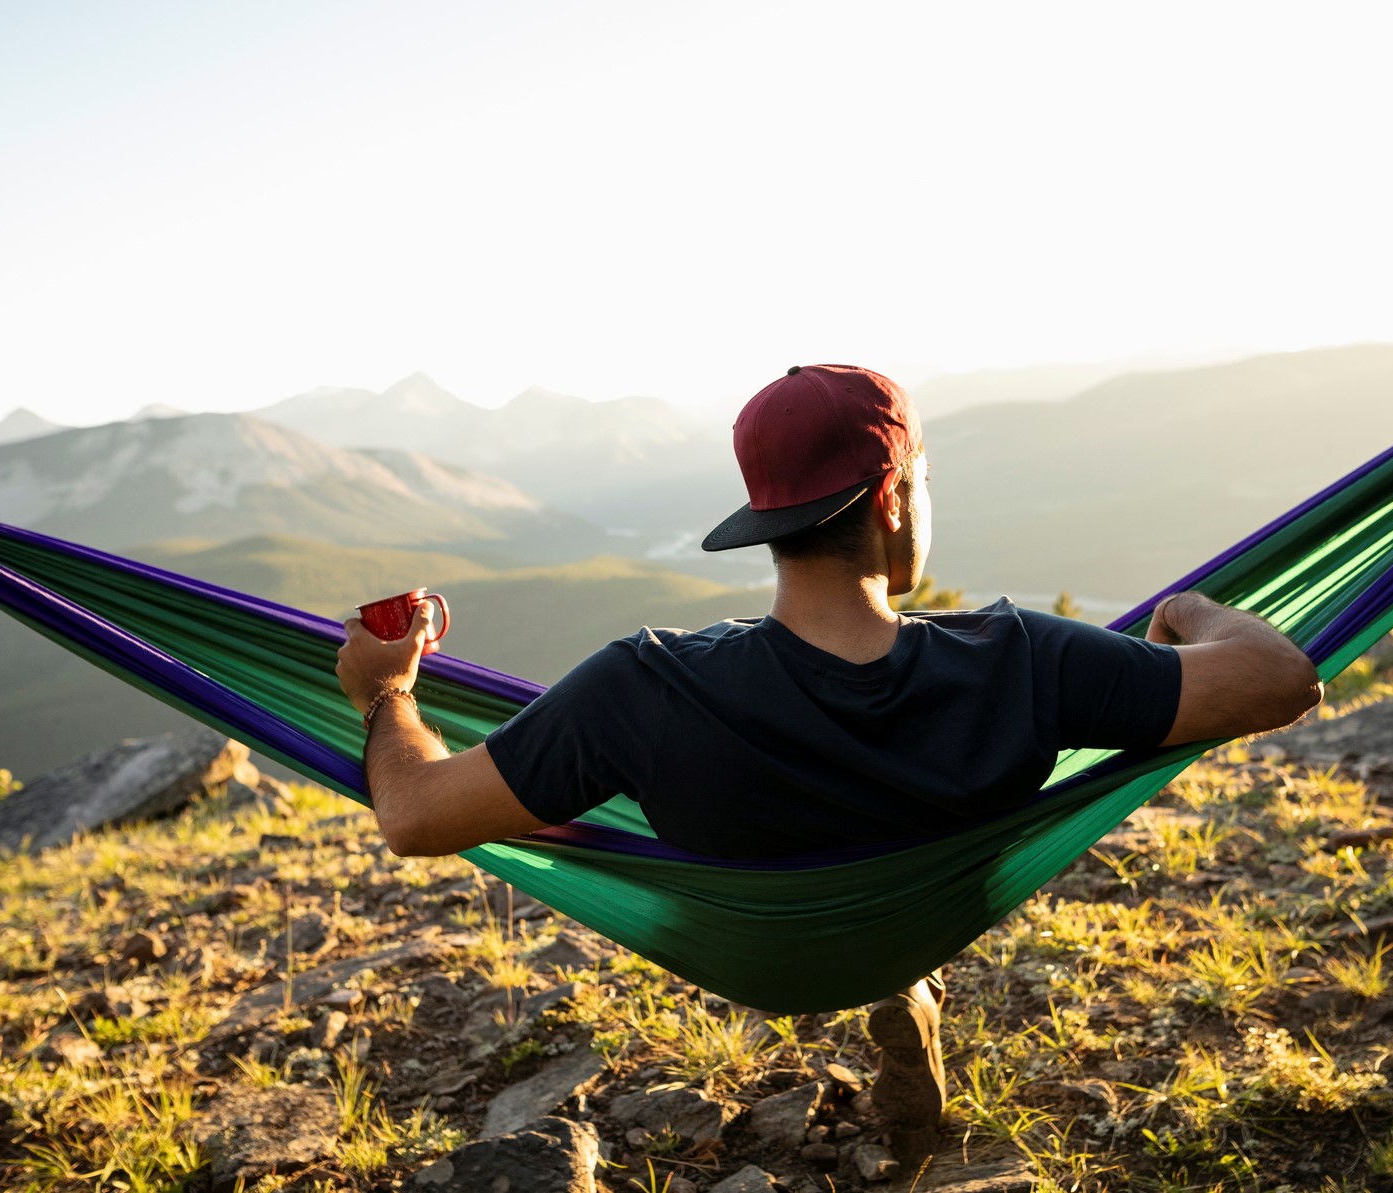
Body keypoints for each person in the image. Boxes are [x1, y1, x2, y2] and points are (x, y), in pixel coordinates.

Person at [335, 363, 1321, 1157]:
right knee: (887, 892)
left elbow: (415, 813)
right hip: (920, 914)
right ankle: (901, 979)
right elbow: (1279, 680)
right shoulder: (1024, 660)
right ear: (890, 495)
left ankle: (889, 982)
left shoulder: (642, 687)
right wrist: (1190, 611)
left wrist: (389, 688)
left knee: (769, 841)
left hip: (758, 953)